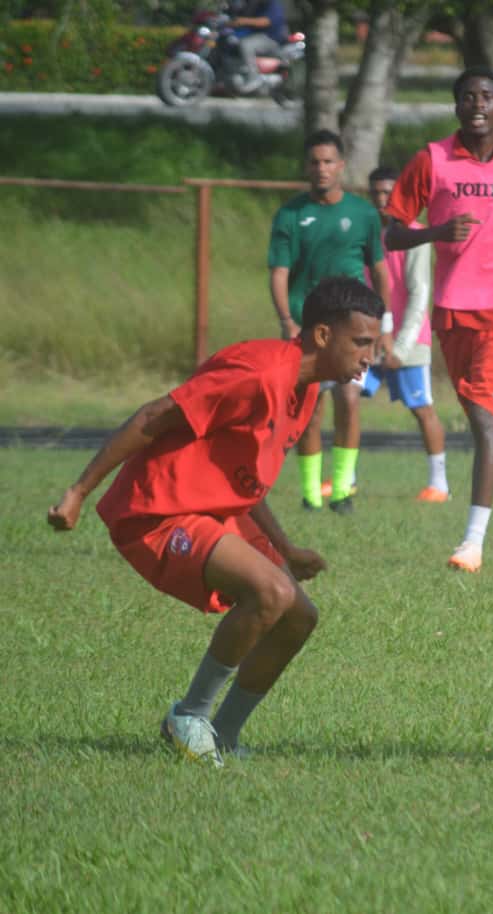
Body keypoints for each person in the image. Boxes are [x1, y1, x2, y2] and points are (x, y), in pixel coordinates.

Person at [46, 276, 382, 766]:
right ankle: (188, 716)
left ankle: (223, 733)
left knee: (299, 616)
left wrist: (285, 549)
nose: (371, 355)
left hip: (213, 512)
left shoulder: (304, 390)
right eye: (362, 342)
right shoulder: (257, 372)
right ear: (323, 335)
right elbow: (153, 417)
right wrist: (77, 492)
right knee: (272, 593)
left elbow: (240, 478)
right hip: (159, 512)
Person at [384, 65, 493, 572]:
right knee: (481, 419)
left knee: (484, 418)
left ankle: (472, 542)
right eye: (467, 96)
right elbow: (392, 233)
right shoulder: (432, 160)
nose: (477, 104)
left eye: (486, 96)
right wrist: (434, 232)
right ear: (456, 105)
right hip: (452, 308)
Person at [269, 129, 392, 514]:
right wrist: (288, 319)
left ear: (341, 166)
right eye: (315, 162)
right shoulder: (291, 214)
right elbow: (279, 272)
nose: (321, 169)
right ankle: (310, 494)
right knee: (310, 408)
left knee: (350, 401)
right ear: (307, 167)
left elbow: (381, 272)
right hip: (308, 328)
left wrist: (381, 329)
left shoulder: (362, 214)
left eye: (328, 162)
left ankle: (341, 491)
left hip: (352, 329)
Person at [355, 164, 450, 501]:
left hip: (407, 341)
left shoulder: (414, 236)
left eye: (388, 193)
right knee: (347, 395)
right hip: (370, 338)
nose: (382, 200)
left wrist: (401, 345)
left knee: (421, 407)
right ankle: (345, 479)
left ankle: (439, 484)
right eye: (376, 193)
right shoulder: (366, 234)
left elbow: (419, 294)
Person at [228, 0, 288, 93]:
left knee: (246, 44)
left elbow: (266, 21)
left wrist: (244, 21)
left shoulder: (272, 4)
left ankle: (253, 76)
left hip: (271, 39)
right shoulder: (254, 5)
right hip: (256, 36)